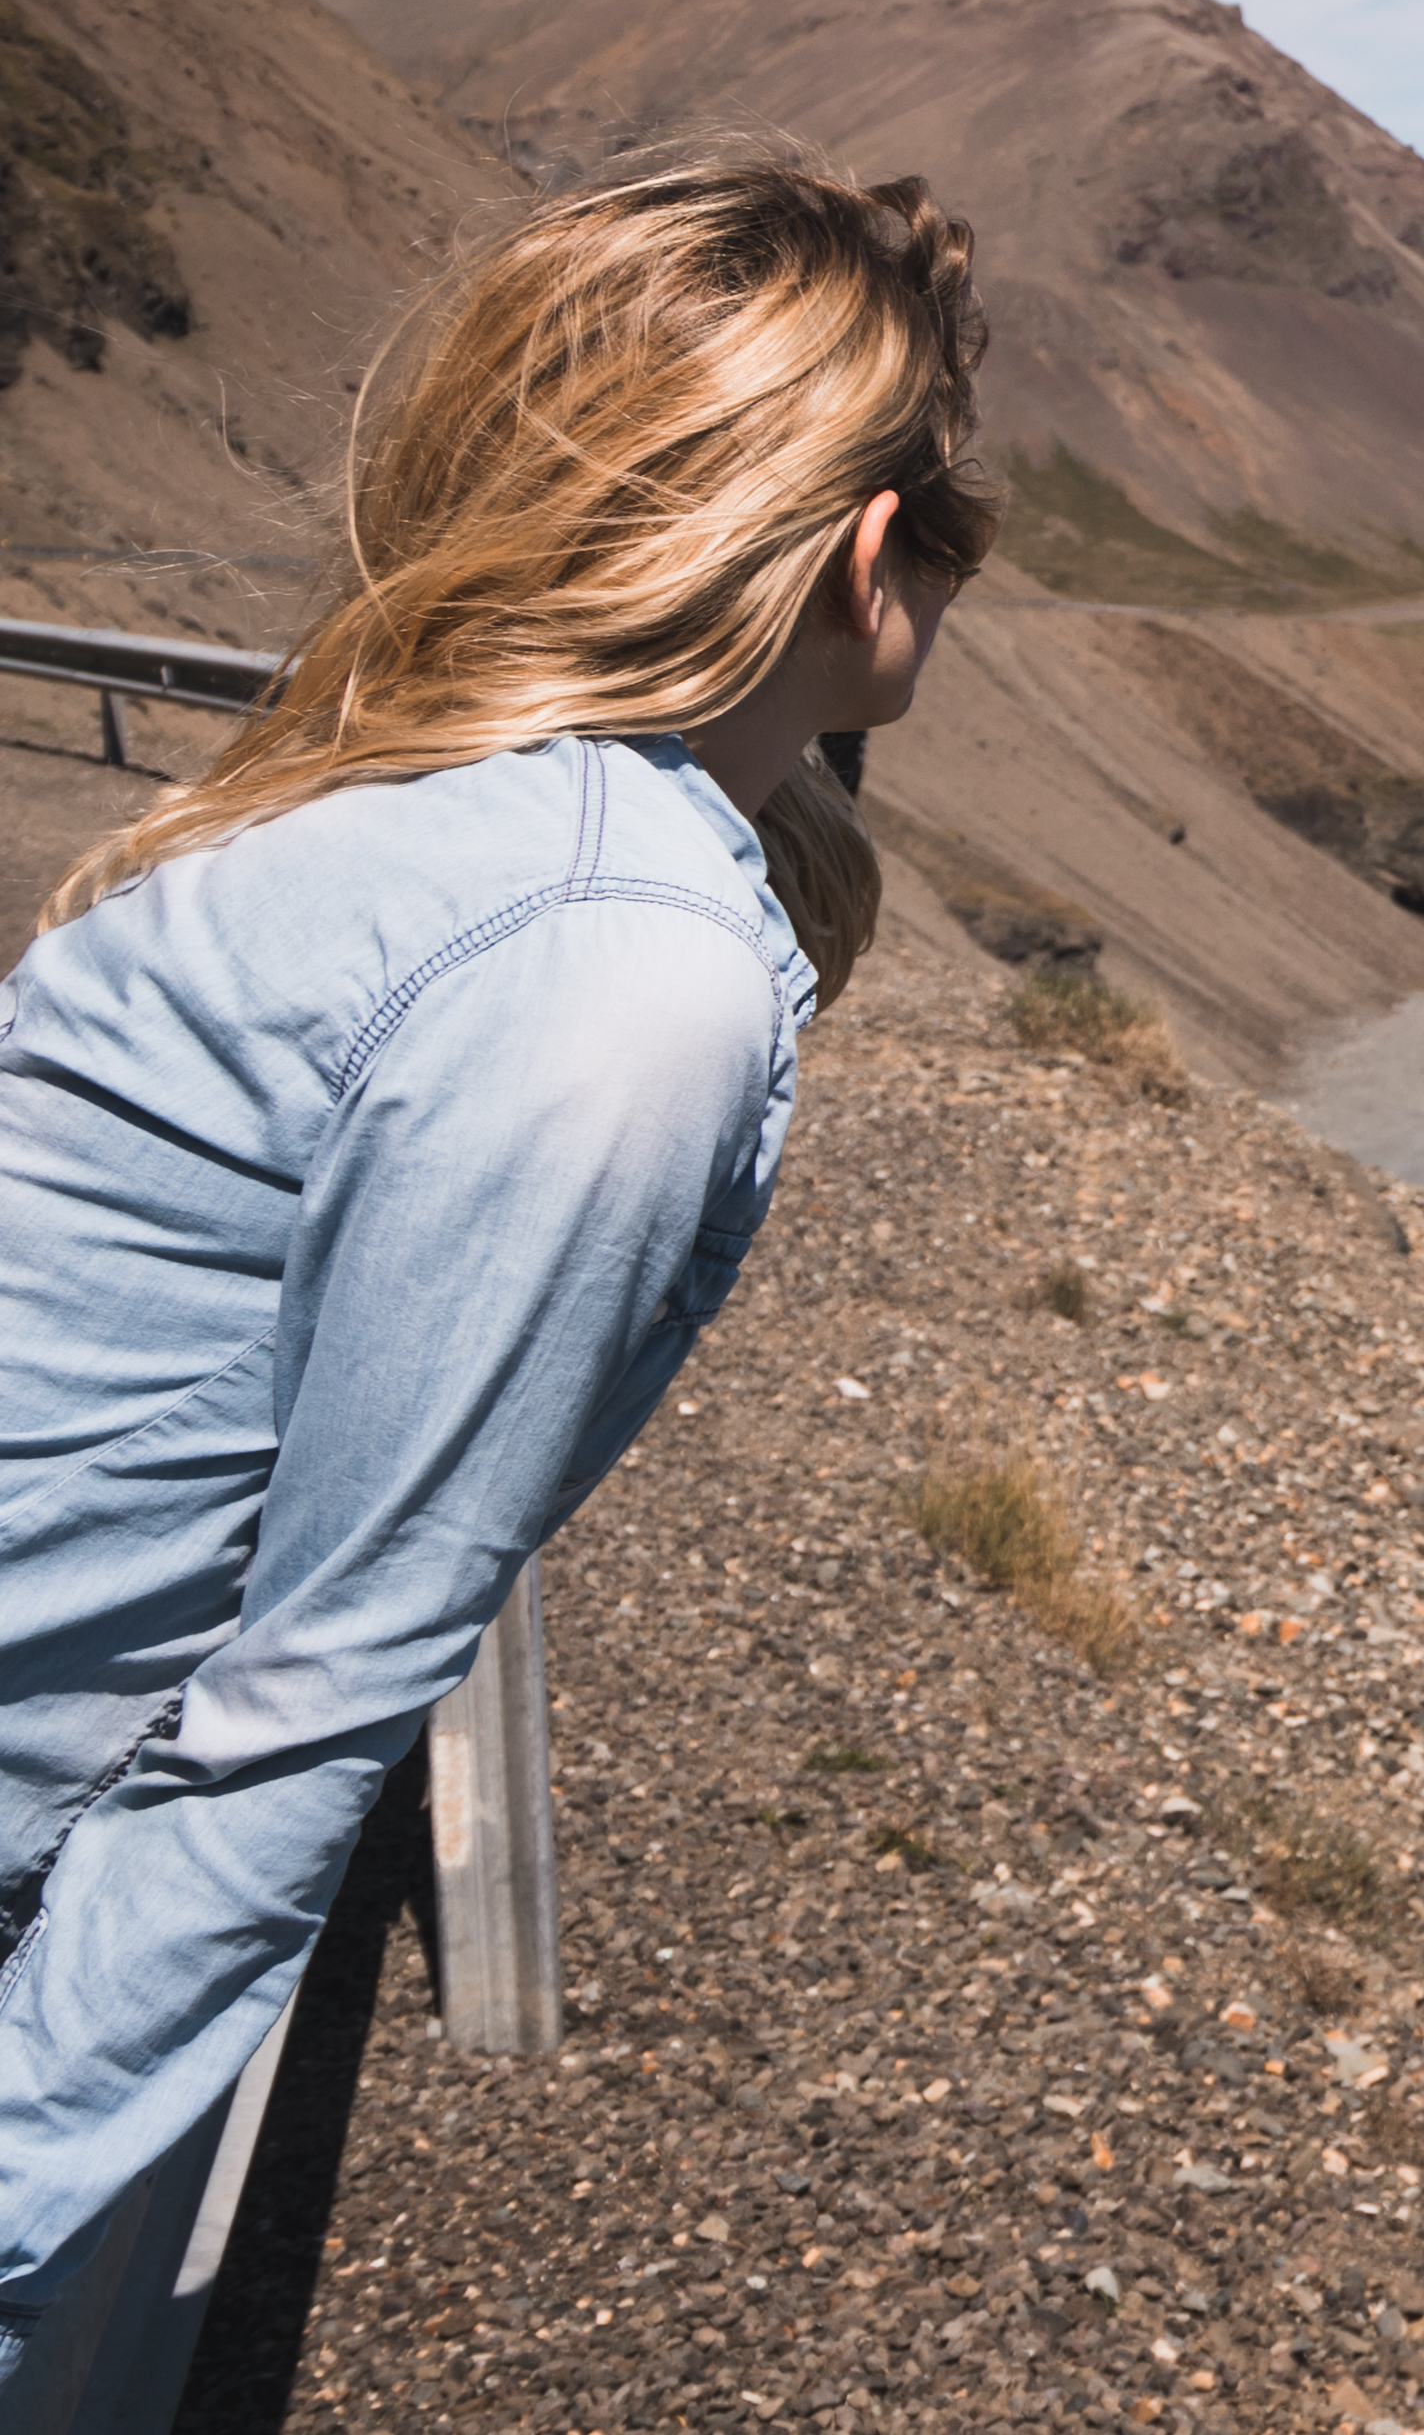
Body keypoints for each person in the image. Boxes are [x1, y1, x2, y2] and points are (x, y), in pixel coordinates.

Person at [0, 161, 994, 2382]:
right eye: (947, 512)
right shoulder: (612, 962)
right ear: (857, 552)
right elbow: (306, 1699)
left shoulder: (416, 820)